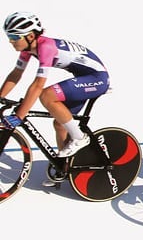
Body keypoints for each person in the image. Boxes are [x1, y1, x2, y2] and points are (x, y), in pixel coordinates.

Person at [0, 11, 109, 164]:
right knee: (60, 124)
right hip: (83, 77)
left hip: (97, 78)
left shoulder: (46, 48)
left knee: (47, 95)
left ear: (30, 36)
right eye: (9, 37)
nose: (11, 41)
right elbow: (16, 74)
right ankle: (63, 168)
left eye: (14, 37)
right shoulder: (27, 50)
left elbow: (38, 85)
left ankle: (79, 138)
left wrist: (19, 116)